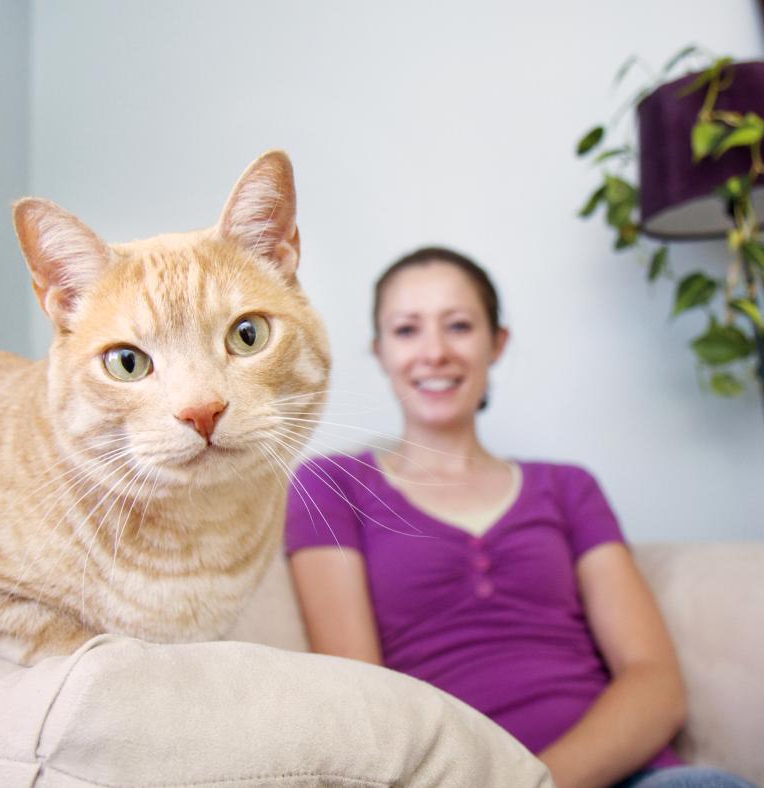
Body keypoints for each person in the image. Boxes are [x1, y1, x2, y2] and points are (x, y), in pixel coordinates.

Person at [285, 247, 754, 788]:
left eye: (459, 326)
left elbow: (655, 684)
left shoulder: (567, 487)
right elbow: (362, 695)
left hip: (632, 778)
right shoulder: (331, 486)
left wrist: (536, 784)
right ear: (380, 351)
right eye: (407, 330)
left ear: (496, 343)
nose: (434, 352)